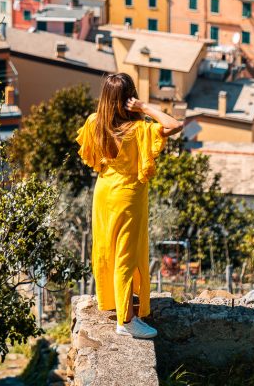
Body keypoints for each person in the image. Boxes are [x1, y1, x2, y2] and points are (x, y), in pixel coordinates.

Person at [76, 72, 184, 340]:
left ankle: (112, 302)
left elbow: (90, 156)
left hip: (103, 193)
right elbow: (175, 124)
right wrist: (144, 107)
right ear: (129, 99)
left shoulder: (94, 123)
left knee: (106, 250)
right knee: (126, 256)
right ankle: (126, 320)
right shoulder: (138, 130)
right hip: (127, 196)